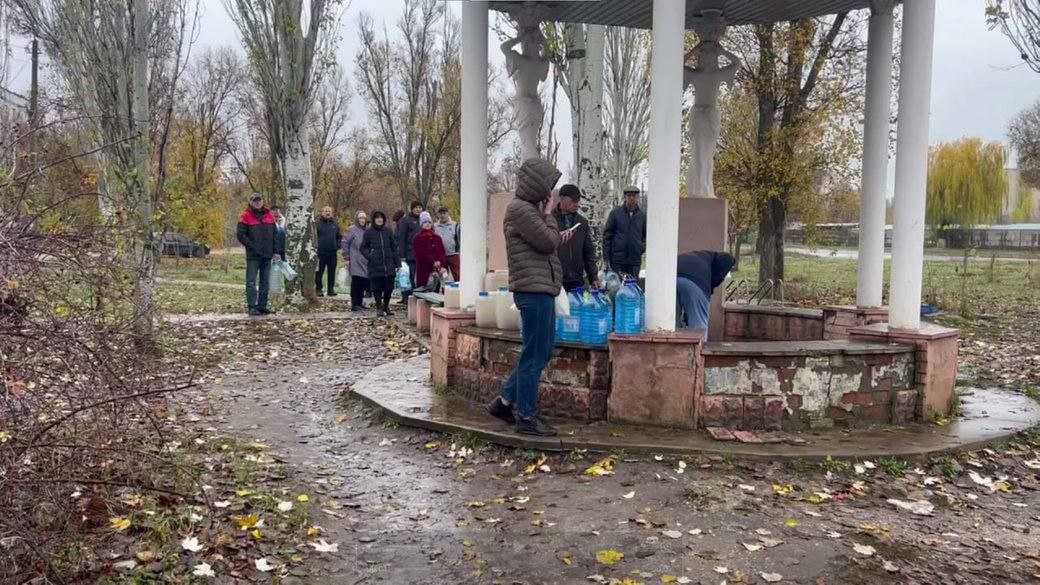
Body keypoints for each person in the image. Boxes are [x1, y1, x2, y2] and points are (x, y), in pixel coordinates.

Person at [487, 158, 563, 437]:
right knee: (534, 355)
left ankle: (504, 402)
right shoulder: (521, 210)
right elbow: (548, 241)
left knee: (540, 351)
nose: (551, 195)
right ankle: (527, 416)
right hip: (533, 291)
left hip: (540, 289)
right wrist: (548, 213)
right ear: (539, 187)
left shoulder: (526, 210)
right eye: (549, 188)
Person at [676, 250, 736, 337]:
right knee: (698, 324)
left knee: (671, 322)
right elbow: (717, 276)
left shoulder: (701, 256)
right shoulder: (724, 259)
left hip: (671, 278)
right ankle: (699, 349)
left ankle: (671, 348)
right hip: (695, 281)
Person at [236, 193, 277, 316]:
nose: (257, 203)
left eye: (259, 200)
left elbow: (275, 234)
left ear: (263, 201)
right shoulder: (245, 215)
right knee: (251, 282)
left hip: (267, 254)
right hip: (253, 255)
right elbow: (241, 235)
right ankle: (252, 306)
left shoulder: (269, 215)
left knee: (265, 282)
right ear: (251, 202)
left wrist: (276, 251)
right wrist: (252, 246)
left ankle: (262, 305)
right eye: (255, 201)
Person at [553, 184, 599, 292]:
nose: (577, 204)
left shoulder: (582, 222)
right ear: (562, 198)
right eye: (573, 200)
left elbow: (588, 252)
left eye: (578, 201)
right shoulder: (549, 220)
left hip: (577, 280)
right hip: (555, 281)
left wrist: (593, 277)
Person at [602, 186, 647, 279]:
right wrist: (606, 258)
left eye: (634, 196)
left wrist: (640, 248)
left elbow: (645, 235)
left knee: (633, 289)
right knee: (616, 288)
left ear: (638, 197)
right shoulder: (615, 213)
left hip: (634, 260)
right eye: (629, 195)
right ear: (625, 197)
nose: (631, 198)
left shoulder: (642, 215)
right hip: (618, 260)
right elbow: (607, 236)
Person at [361, 210, 399, 317]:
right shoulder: (369, 232)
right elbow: (363, 247)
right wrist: (370, 256)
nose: (379, 219)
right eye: (377, 217)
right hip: (375, 264)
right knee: (377, 287)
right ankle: (379, 307)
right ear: (374, 219)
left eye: (381, 217)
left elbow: (393, 247)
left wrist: (397, 262)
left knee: (389, 287)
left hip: (389, 263)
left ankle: (386, 305)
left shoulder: (388, 231)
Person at [413, 211, 448, 291]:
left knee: (444, 278)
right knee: (426, 290)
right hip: (425, 269)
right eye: (425, 222)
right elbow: (421, 254)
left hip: (439, 268)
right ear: (421, 224)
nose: (427, 224)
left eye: (429, 222)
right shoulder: (417, 238)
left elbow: (442, 252)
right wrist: (433, 262)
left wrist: (440, 261)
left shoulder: (437, 237)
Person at [342, 210, 369, 311]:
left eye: (364, 218)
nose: (362, 220)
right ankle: (355, 303)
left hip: (365, 260)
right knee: (356, 281)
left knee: (363, 281)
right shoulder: (352, 230)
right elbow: (345, 243)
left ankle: (360, 302)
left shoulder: (367, 230)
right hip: (355, 259)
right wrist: (346, 258)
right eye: (360, 218)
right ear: (357, 219)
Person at [396, 201, 423, 302]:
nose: (418, 209)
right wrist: (402, 255)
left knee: (418, 277)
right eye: (416, 207)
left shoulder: (423, 219)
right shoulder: (406, 220)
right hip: (409, 254)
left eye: (420, 207)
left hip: (421, 255)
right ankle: (407, 298)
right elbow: (402, 238)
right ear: (412, 209)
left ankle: (416, 296)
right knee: (409, 276)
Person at [314, 206, 341, 296]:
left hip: (332, 252)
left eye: (329, 211)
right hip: (320, 252)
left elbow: (339, 237)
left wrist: (338, 246)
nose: (327, 213)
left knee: (332, 271)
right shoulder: (317, 224)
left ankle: (330, 290)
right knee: (319, 272)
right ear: (322, 212)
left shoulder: (335, 224)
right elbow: (314, 237)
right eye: (325, 211)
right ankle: (318, 289)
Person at [435, 207, 461, 281]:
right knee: (443, 275)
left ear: (447, 214)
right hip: (441, 256)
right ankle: (444, 290)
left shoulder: (455, 225)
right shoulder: (435, 226)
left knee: (458, 274)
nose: (442, 215)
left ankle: (459, 289)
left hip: (453, 254)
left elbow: (460, 238)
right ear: (438, 215)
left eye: (444, 213)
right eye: (440, 214)